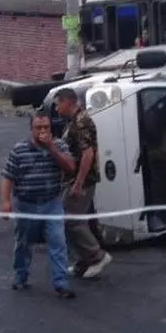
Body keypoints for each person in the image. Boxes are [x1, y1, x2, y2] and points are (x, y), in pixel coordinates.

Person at [0, 109, 77, 299]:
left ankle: (61, 283)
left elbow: (70, 167)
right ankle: (21, 276)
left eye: (46, 127)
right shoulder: (19, 150)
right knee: (23, 243)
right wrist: (5, 201)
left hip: (51, 203)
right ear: (31, 129)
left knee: (58, 242)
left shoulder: (59, 145)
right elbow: (8, 177)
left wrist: (52, 148)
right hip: (26, 205)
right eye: (38, 127)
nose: (42, 130)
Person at [54, 88, 113, 279]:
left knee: (72, 221)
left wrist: (78, 184)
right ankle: (84, 260)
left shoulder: (82, 122)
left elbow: (88, 153)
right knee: (75, 220)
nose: (56, 109)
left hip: (82, 180)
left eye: (57, 104)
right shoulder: (73, 122)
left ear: (67, 102)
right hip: (73, 179)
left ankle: (97, 257)